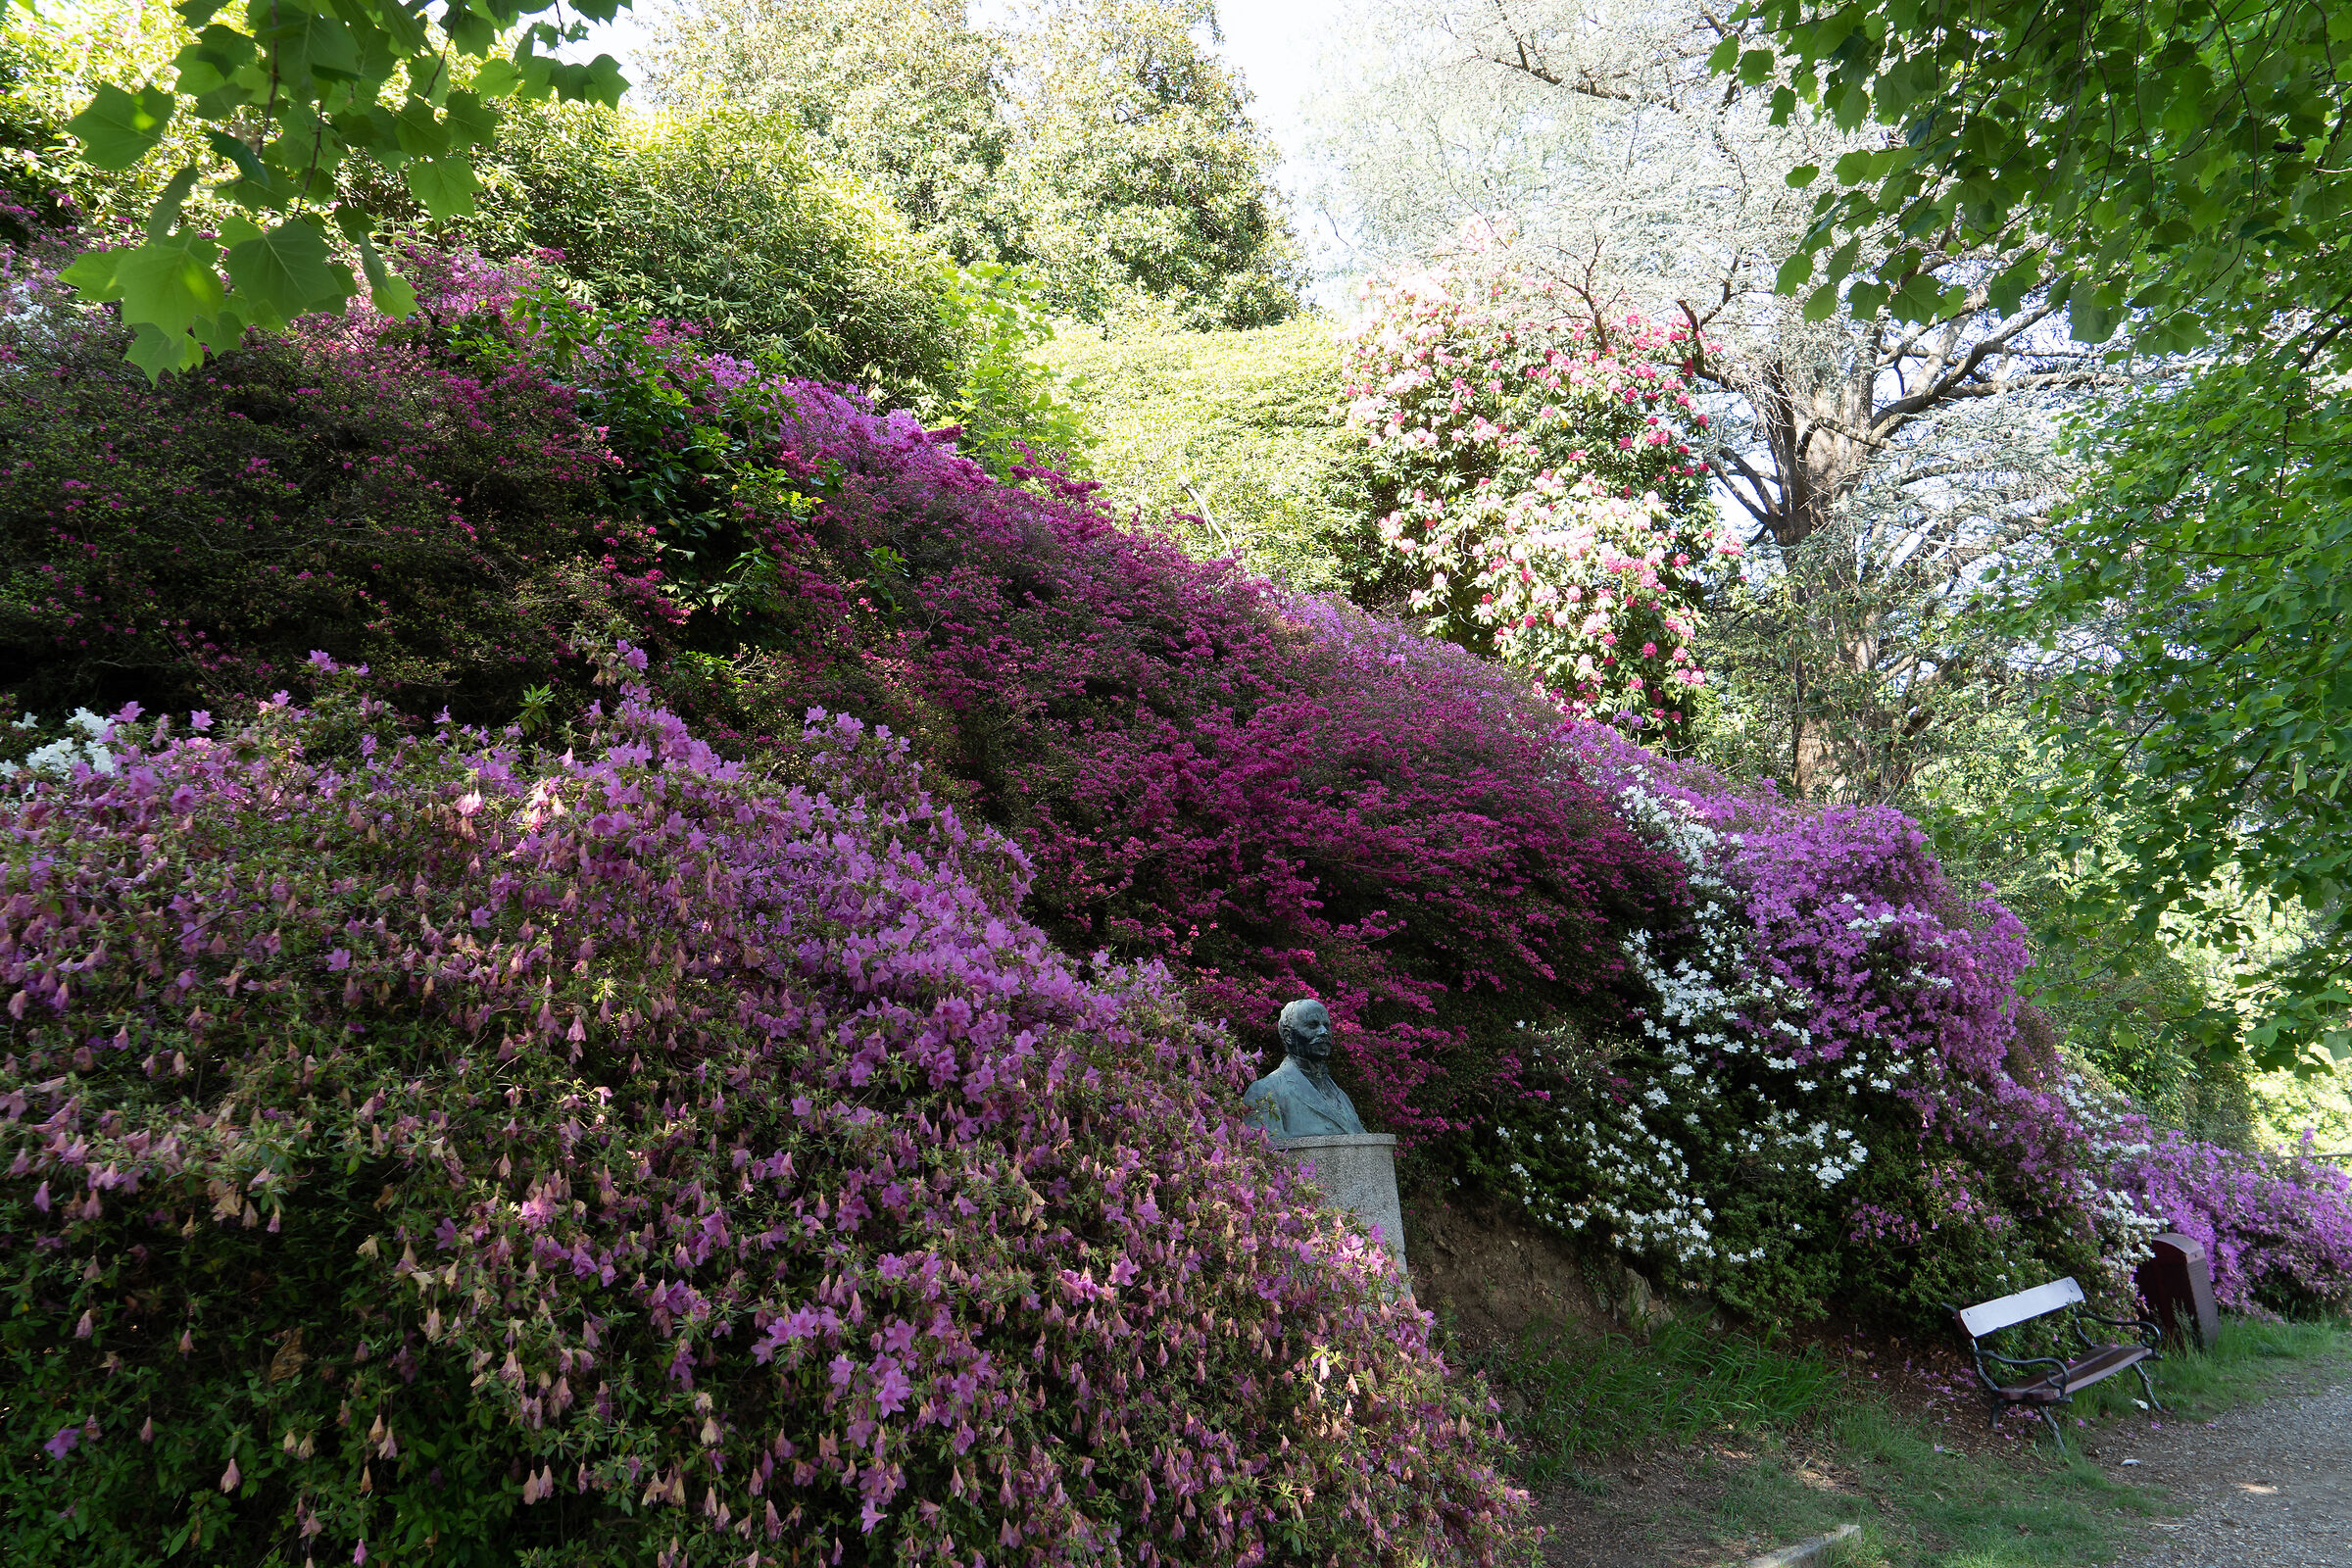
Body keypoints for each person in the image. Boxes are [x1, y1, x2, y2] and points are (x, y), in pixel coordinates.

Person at [1242, 998, 1366, 1137]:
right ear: (1288, 1036)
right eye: (1313, 1025)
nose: (1324, 1032)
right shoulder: (1266, 1091)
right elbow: (1268, 1153)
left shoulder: (1341, 1097)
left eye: (1327, 1025)